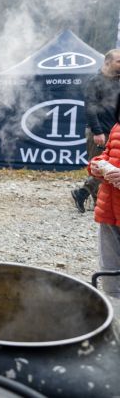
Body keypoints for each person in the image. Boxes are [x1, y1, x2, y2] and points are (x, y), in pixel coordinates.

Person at [72, 49, 120, 213]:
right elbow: (90, 109)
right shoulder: (95, 81)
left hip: (114, 132)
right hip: (99, 132)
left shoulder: (118, 80)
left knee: (109, 167)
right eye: (118, 61)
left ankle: (93, 199)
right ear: (107, 62)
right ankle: (85, 193)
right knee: (99, 167)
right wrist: (97, 131)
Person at [87, 95, 120, 298]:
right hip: (109, 209)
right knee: (110, 273)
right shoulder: (117, 127)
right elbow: (108, 154)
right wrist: (97, 165)